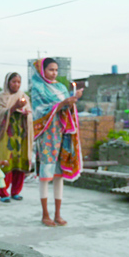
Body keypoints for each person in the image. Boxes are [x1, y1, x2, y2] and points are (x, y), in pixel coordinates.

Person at [31, 58, 83, 226]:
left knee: (59, 176)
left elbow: (66, 108)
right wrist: (62, 104)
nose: (54, 73)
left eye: (56, 70)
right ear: (42, 70)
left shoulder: (61, 87)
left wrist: (72, 101)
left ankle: (58, 214)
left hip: (62, 135)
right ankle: (45, 214)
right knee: (45, 176)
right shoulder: (37, 88)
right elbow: (39, 111)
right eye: (51, 69)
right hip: (47, 136)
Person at [0, 72, 34, 202]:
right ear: (8, 82)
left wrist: (26, 113)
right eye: (13, 82)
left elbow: (30, 113)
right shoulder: (2, 97)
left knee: (19, 163)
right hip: (7, 134)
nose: (16, 85)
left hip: (21, 134)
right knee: (7, 163)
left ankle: (16, 191)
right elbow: (0, 114)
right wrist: (14, 107)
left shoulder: (23, 96)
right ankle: (3, 192)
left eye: (18, 82)